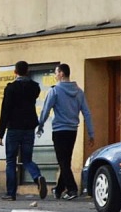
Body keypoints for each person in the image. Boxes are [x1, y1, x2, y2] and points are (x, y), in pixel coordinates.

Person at [37, 63, 94, 200]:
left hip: (59, 131)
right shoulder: (79, 91)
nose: (55, 75)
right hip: (72, 131)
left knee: (63, 161)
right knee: (65, 160)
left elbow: (46, 109)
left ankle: (72, 189)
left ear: (61, 73)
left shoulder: (55, 91)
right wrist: (91, 133)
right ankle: (59, 189)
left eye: (56, 73)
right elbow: (86, 112)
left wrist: (40, 125)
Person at [0, 60, 47, 201]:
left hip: (13, 128)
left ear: (15, 72)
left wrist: (0, 133)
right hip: (29, 128)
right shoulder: (34, 88)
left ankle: (11, 193)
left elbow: (5, 111)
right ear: (27, 71)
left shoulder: (11, 88)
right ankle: (38, 176)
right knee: (27, 159)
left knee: (11, 161)